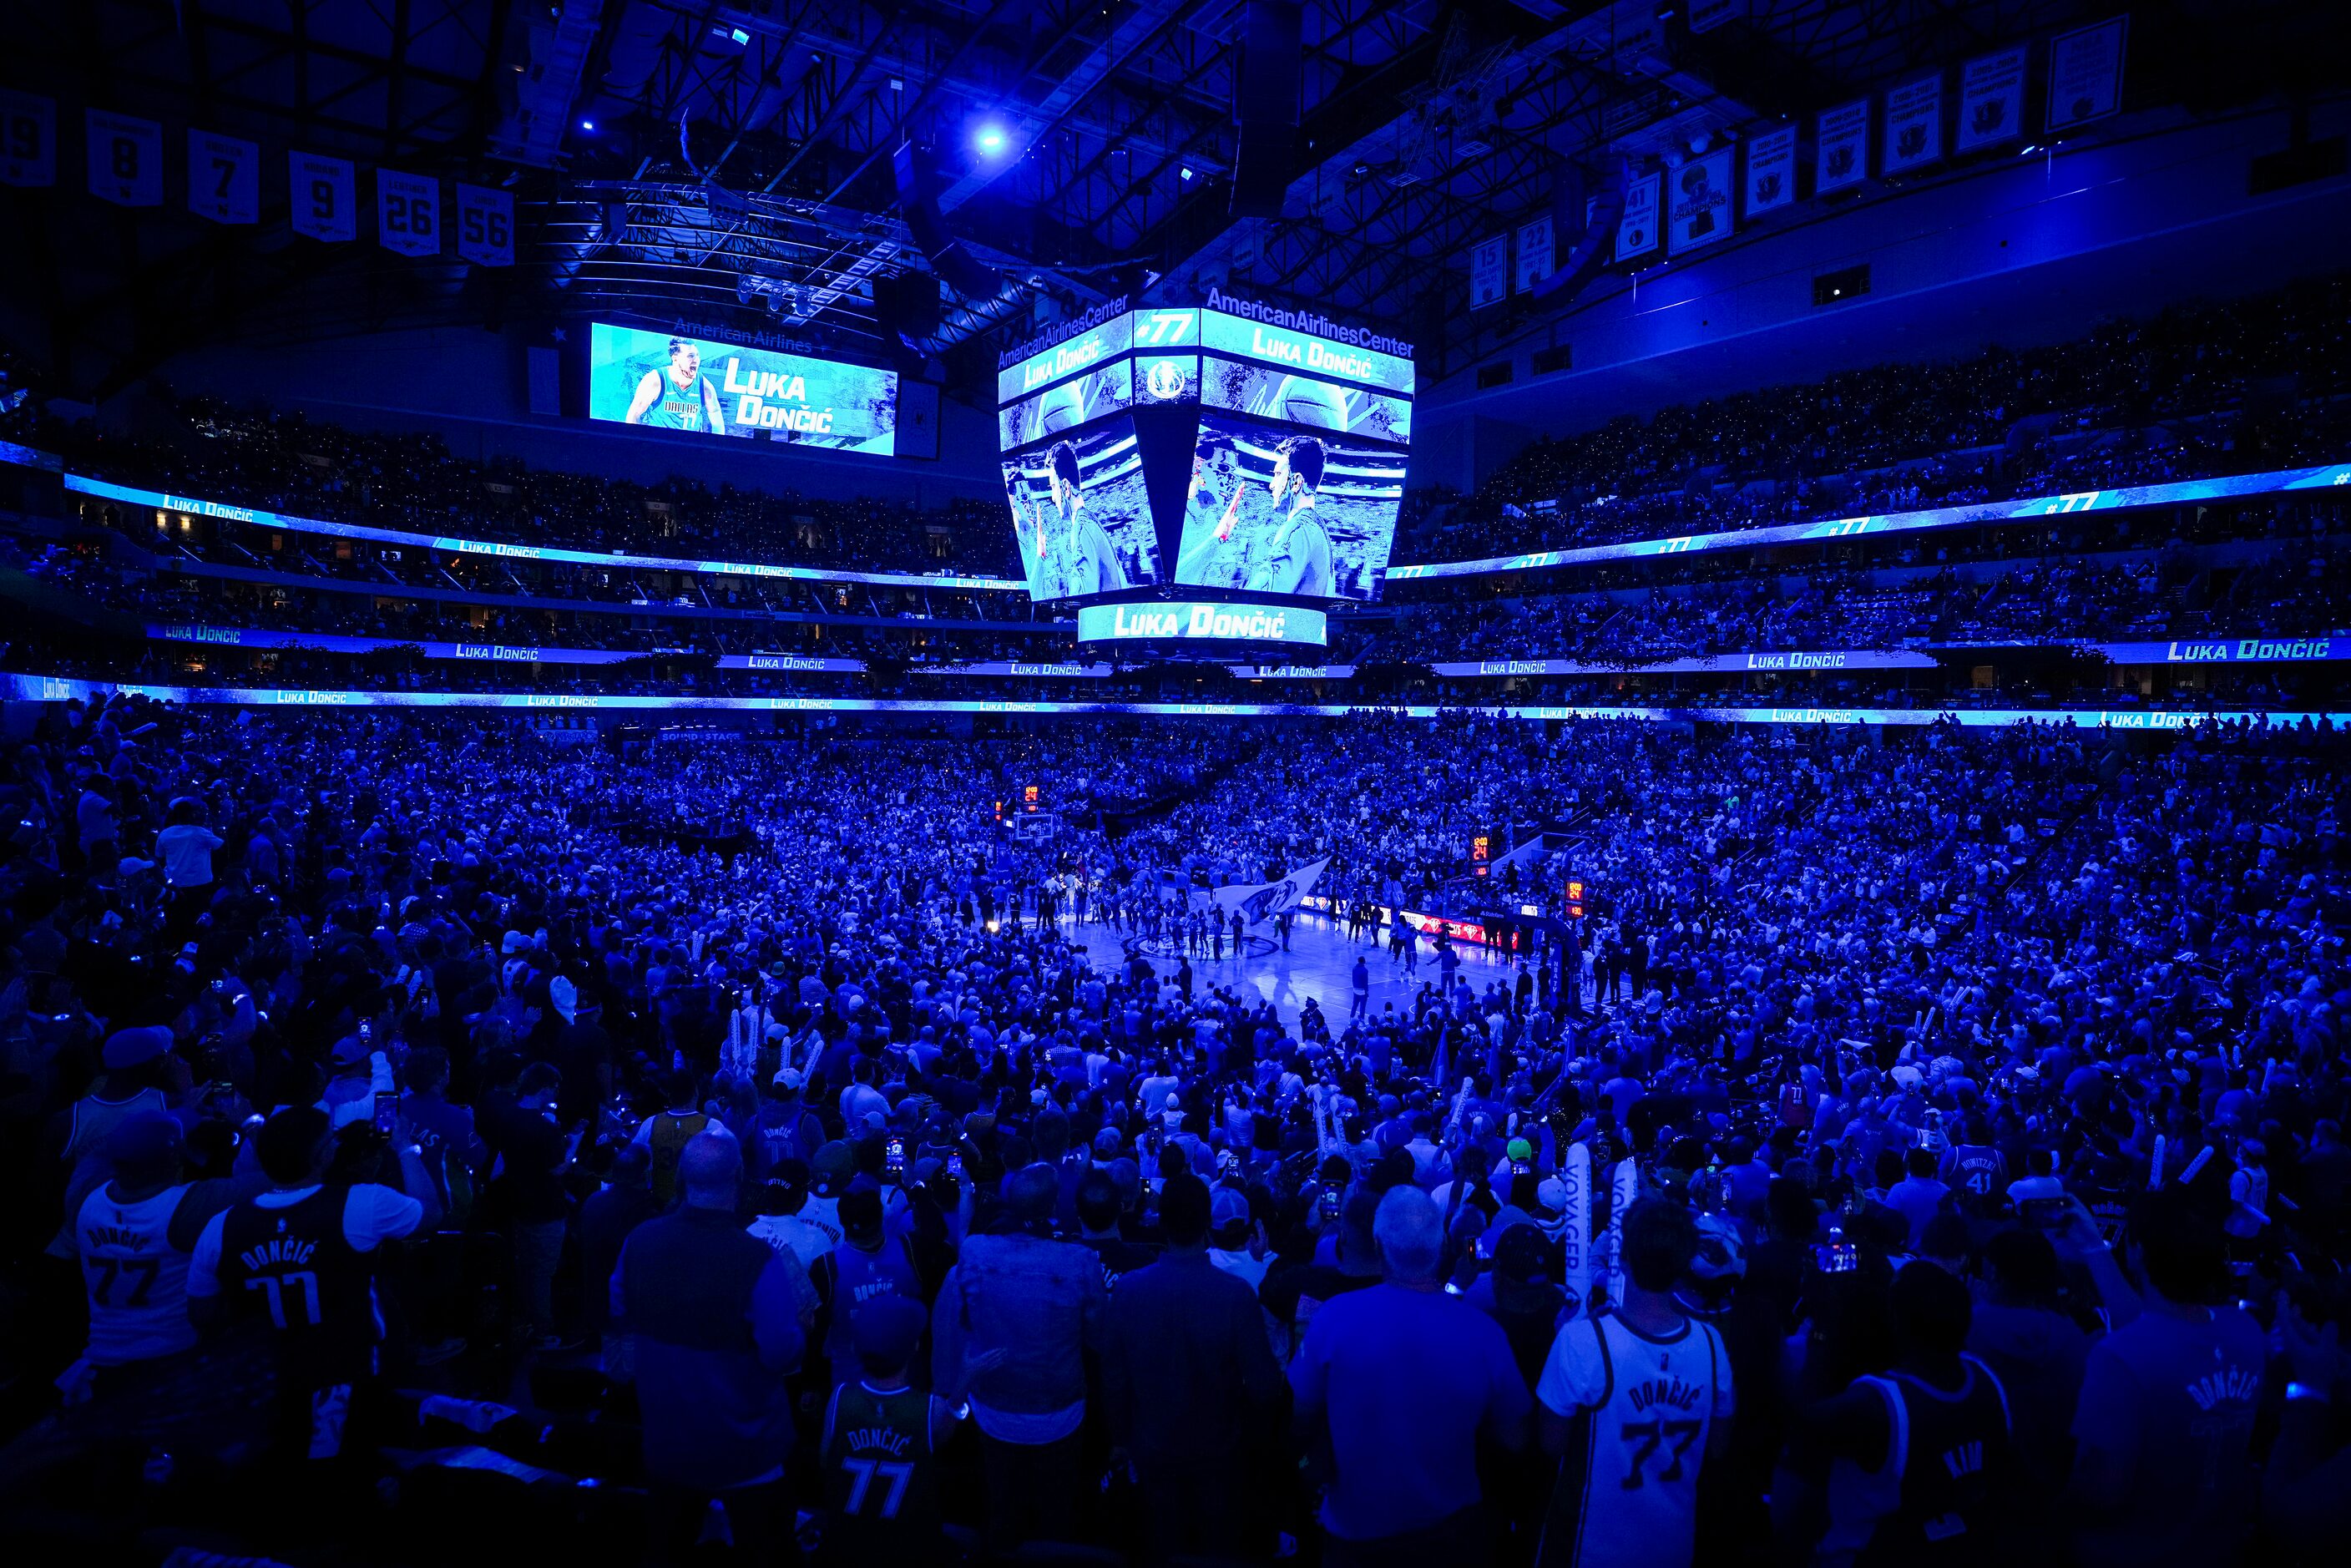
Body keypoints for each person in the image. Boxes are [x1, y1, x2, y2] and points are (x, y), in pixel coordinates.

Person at [1290, 1185, 1529, 1564]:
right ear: (1443, 1248)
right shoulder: (1485, 1333)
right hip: (1454, 1534)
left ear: (1379, 1244)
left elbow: (1299, 1416)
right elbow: (1515, 1439)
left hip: (1355, 1533)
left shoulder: (1333, 1319)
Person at [187, 1106, 436, 1461]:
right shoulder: (362, 1203)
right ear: (323, 1156)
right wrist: (406, 1147)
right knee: (346, 1472)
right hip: (346, 1375)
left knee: (281, 1470)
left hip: (265, 1383)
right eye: (331, 1139)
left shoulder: (221, 1226)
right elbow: (430, 1210)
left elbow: (201, 1314)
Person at [613, 1132, 811, 1564]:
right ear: (739, 1177)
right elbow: (783, 1355)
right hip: (749, 1452)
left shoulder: (639, 1241)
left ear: (681, 1176)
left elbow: (619, 1320)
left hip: (667, 1445)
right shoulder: (757, 1259)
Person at [2069, 1188, 2265, 1567]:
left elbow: (2101, 1492)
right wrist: (2093, 1247)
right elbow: (2156, 1331)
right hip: (2217, 1549)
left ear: (2138, 1251)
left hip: (2128, 1553)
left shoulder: (2118, 1358)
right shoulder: (2246, 1333)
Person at [1534, 1199, 1732, 1568]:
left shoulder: (1581, 1341)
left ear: (1622, 1259)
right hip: (1672, 1545)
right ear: (1684, 1267)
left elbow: (1551, 1443)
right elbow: (1718, 1447)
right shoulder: (1712, 1345)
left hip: (1589, 1546)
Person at [1103, 1174, 1287, 1561]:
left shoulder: (1129, 1290)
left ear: (1161, 1222)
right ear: (1207, 1226)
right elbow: (1265, 1388)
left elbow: (1114, 1380)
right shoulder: (1235, 1296)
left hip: (1152, 1448)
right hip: (1220, 1452)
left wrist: (1121, 1440)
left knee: (1160, 1544)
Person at [930, 1161, 1107, 1550]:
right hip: (1058, 1409)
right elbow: (1098, 1337)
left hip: (993, 1407)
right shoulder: (1080, 1262)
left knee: (1002, 1509)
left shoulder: (975, 1251)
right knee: (1057, 1516)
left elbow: (962, 1312)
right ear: (1055, 1204)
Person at [1799, 1260, 2017, 1565]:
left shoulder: (1876, 1404)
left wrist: (1822, 1324)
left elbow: (1799, 1429)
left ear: (1897, 1321)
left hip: (1868, 1554)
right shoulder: (1987, 1379)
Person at [820, 1293, 966, 1565]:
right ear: (915, 1348)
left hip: (846, 1549)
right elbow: (951, 1421)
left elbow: (826, 1461)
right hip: (911, 1551)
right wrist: (967, 1378)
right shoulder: (929, 1408)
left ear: (855, 1347)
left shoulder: (839, 1400)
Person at [1244, 434, 1335, 598]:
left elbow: (1260, 594)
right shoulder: (1317, 528)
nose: (1271, 485)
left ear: (1296, 482)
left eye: (1278, 474)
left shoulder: (1297, 529)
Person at [623, 336, 728, 432]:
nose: (696, 360)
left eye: (697, 355)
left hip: (691, 449)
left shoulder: (704, 387)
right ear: (675, 358)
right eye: (690, 356)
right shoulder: (655, 381)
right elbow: (634, 415)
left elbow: (717, 422)